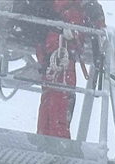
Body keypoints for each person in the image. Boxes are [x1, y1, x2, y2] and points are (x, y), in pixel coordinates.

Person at [35, 0, 105, 138]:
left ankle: (42, 141)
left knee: (49, 100)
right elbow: (98, 25)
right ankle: (58, 144)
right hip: (62, 47)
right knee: (60, 101)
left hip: (48, 46)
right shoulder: (77, 6)